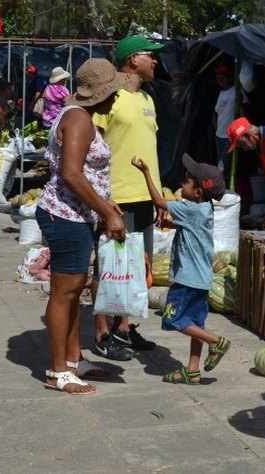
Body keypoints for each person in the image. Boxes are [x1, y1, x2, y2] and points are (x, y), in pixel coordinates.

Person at [36, 58, 128, 395]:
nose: (116, 98)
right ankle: (58, 371)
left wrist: (105, 203)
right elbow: (72, 174)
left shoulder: (80, 117)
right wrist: (106, 212)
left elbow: (86, 175)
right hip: (65, 216)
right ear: (99, 93)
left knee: (74, 292)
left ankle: (73, 361)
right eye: (113, 92)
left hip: (77, 215)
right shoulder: (77, 119)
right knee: (65, 292)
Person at [91, 34, 166, 360]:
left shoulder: (148, 100)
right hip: (115, 198)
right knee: (107, 267)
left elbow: (149, 151)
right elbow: (93, 149)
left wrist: (160, 197)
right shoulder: (110, 98)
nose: (156, 61)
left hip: (144, 198)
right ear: (133, 59)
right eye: (151, 55)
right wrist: (102, 199)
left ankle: (123, 328)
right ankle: (101, 333)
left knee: (136, 268)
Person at [133, 153, 231, 384]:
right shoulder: (205, 208)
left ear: (198, 191)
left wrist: (146, 172)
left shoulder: (191, 208)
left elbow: (158, 202)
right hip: (202, 278)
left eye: (186, 181)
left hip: (187, 279)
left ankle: (216, 341)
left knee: (173, 319)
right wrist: (170, 223)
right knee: (195, 324)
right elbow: (190, 228)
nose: (181, 183)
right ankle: (193, 371)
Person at [212, 64, 237, 170]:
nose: (220, 80)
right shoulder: (221, 93)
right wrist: (215, 126)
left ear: (230, 77)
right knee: (220, 163)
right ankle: (223, 185)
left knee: (222, 166)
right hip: (219, 135)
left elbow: (245, 109)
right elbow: (215, 112)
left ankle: (220, 185)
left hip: (229, 136)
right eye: (218, 78)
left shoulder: (236, 90)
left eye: (223, 77)